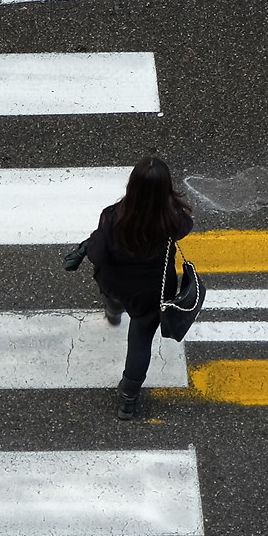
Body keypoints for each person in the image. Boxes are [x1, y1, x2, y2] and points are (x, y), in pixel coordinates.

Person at [71, 157, 196, 422]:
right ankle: (128, 398)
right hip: (152, 291)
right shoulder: (173, 220)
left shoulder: (112, 217)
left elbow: (97, 255)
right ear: (166, 189)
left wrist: (91, 242)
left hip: (117, 282)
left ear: (132, 186)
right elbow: (186, 227)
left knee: (114, 297)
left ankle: (113, 310)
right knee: (140, 342)